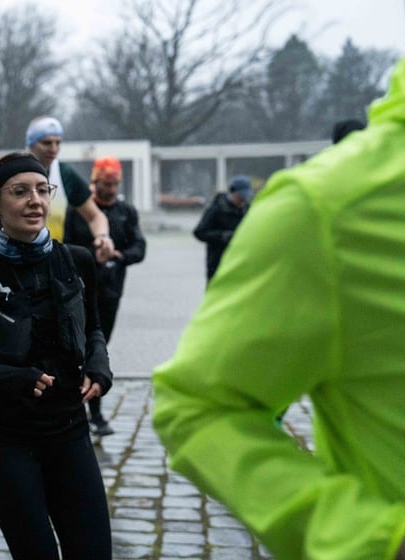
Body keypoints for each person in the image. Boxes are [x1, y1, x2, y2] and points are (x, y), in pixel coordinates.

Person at [153, 58, 405, 560]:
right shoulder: (322, 206)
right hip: (243, 291)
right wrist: (373, 540)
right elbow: (197, 404)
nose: (243, 197)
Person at [0, 152, 113, 559]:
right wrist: (10, 377)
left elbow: (94, 330)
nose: (35, 200)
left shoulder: (78, 261)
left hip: (69, 430)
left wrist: (99, 367)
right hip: (4, 438)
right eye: (20, 191)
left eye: (42, 190)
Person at [0, 116, 114, 265]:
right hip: (9, 261)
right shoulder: (8, 172)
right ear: (31, 143)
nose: (54, 148)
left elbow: (95, 216)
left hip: (50, 261)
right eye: (47, 142)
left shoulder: (64, 174)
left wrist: (103, 237)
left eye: (58, 142)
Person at [64, 156, 146, 437]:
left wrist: (119, 257)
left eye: (114, 184)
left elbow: (140, 247)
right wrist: (92, 255)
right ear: (94, 181)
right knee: (78, 347)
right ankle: (88, 411)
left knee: (98, 348)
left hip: (111, 291)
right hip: (80, 289)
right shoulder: (80, 210)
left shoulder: (126, 212)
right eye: (104, 184)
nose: (109, 189)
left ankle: (92, 409)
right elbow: (67, 245)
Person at [192, 174, 253, 282]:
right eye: (240, 196)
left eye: (245, 197)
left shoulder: (247, 209)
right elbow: (199, 232)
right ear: (232, 192)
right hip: (217, 263)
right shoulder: (216, 208)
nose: (243, 200)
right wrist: (222, 236)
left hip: (239, 262)